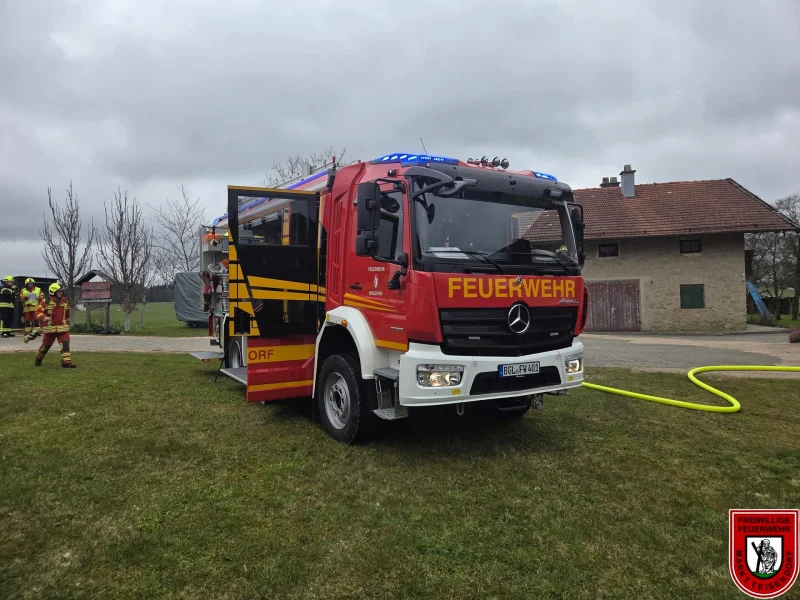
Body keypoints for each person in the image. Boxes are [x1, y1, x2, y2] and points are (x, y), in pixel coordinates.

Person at [34, 282, 76, 368]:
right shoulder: (45, 302)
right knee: (45, 347)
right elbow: (37, 312)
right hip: (50, 329)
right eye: (58, 291)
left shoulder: (65, 301)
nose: (60, 293)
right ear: (53, 292)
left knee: (65, 345)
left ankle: (66, 362)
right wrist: (43, 317)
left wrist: (67, 324)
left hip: (62, 329)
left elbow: (67, 314)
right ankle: (38, 358)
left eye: (61, 291)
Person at [19, 278, 44, 343]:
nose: (31, 285)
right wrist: (25, 297)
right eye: (29, 284)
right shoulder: (23, 290)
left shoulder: (38, 289)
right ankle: (27, 332)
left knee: (36, 320)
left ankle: (37, 332)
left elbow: (42, 296)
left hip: (35, 308)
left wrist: (39, 297)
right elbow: (20, 298)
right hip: (27, 308)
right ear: (26, 284)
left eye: (31, 284)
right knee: (27, 321)